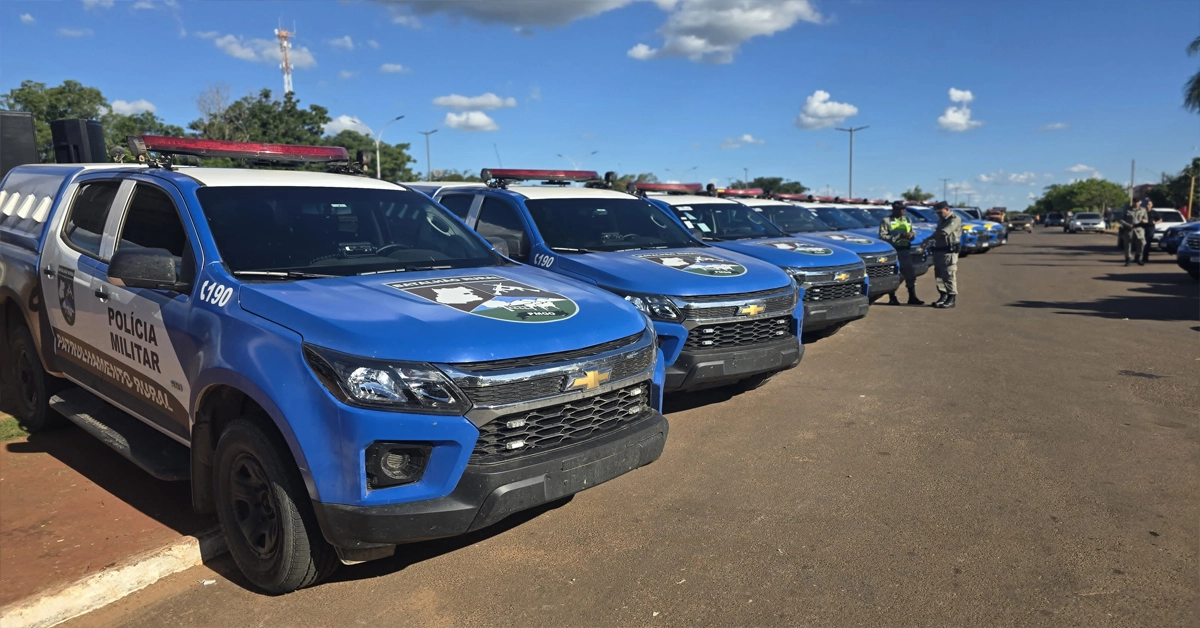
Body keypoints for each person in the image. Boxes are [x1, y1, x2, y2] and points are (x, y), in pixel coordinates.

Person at [879, 201, 922, 305]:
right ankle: (892, 298)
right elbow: (882, 237)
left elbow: (912, 232)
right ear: (894, 209)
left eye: (904, 209)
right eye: (900, 209)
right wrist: (899, 236)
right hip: (894, 250)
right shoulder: (886, 220)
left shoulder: (907, 219)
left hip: (905, 249)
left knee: (910, 274)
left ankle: (912, 297)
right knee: (894, 274)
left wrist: (911, 236)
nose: (903, 211)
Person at [929, 201, 962, 308]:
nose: (939, 214)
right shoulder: (941, 220)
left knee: (949, 274)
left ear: (947, 209)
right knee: (939, 275)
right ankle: (943, 296)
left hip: (949, 252)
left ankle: (951, 298)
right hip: (939, 251)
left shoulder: (954, 219)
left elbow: (943, 233)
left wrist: (928, 239)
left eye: (940, 211)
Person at [1119, 200, 1148, 266]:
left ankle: (1138, 258)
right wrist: (1127, 225)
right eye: (1135, 202)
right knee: (1128, 245)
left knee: (1141, 244)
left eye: (1138, 202)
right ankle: (1128, 259)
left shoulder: (1143, 210)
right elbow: (1121, 219)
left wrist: (1144, 220)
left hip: (1139, 230)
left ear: (1140, 202)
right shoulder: (1127, 210)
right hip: (1129, 230)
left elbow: (1146, 219)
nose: (1136, 204)